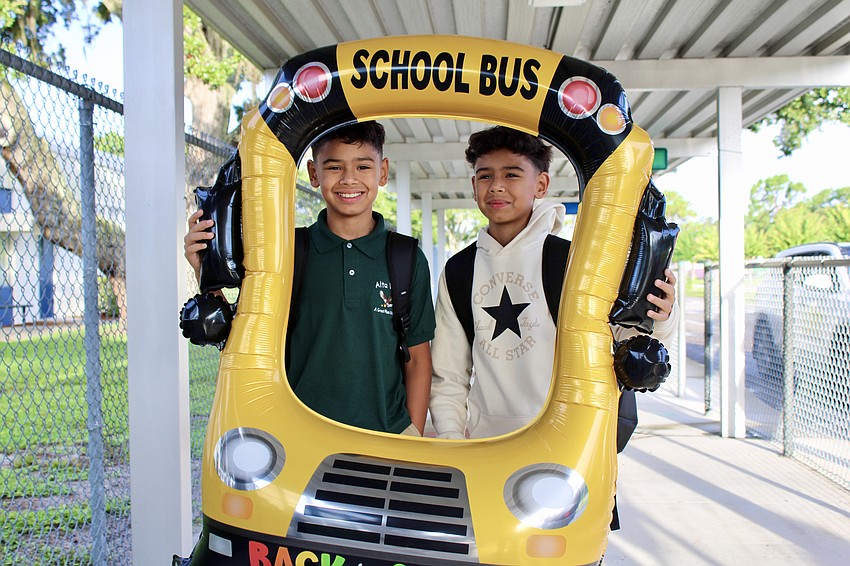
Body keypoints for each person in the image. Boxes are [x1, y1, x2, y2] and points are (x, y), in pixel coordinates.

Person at [184, 121, 435, 436]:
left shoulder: (407, 258)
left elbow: (418, 359)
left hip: (387, 436)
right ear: (314, 174)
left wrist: (413, 433)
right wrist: (206, 272)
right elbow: (242, 338)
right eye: (334, 167)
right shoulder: (284, 252)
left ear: (382, 172)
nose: (349, 179)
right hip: (300, 438)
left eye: (363, 166)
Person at [429, 125, 678, 441]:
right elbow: (448, 375)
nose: (496, 186)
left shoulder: (577, 262)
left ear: (541, 184)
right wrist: (451, 438)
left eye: (511, 174)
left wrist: (663, 315)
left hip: (572, 444)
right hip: (487, 446)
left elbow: (628, 340)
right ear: (474, 185)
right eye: (485, 176)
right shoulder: (459, 270)